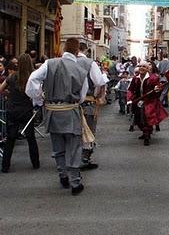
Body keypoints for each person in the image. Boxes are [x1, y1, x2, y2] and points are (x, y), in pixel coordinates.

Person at [26, 38, 88, 195]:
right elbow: (82, 93)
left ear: (63, 49)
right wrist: (75, 101)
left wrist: (40, 99)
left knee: (58, 147)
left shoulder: (50, 63)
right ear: (77, 51)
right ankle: (75, 183)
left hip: (53, 112)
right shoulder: (81, 67)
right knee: (74, 147)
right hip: (71, 111)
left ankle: (63, 175)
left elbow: (32, 79)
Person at [0, 54, 40, 173]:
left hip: (12, 109)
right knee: (31, 137)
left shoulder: (12, 77)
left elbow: (1, 89)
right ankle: (35, 163)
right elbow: (36, 93)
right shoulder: (31, 77)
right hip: (26, 110)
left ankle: (5, 166)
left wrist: (10, 94)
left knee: (10, 138)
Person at [77, 47, 106, 170]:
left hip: (67, 105)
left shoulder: (60, 62)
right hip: (87, 103)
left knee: (72, 133)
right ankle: (84, 158)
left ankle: (69, 160)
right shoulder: (90, 63)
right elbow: (99, 82)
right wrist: (98, 96)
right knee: (88, 131)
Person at [127, 61, 168, 146]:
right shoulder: (135, 78)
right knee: (138, 118)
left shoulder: (153, 78)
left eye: (144, 67)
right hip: (138, 100)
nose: (142, 68)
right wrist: (129, 98)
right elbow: (130, 89)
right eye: (140, 66)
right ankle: (144, 132)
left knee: (147, 117)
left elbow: (157, 91)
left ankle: (147, 135)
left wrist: (157, 89)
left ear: (147, 69)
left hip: (150, 101)